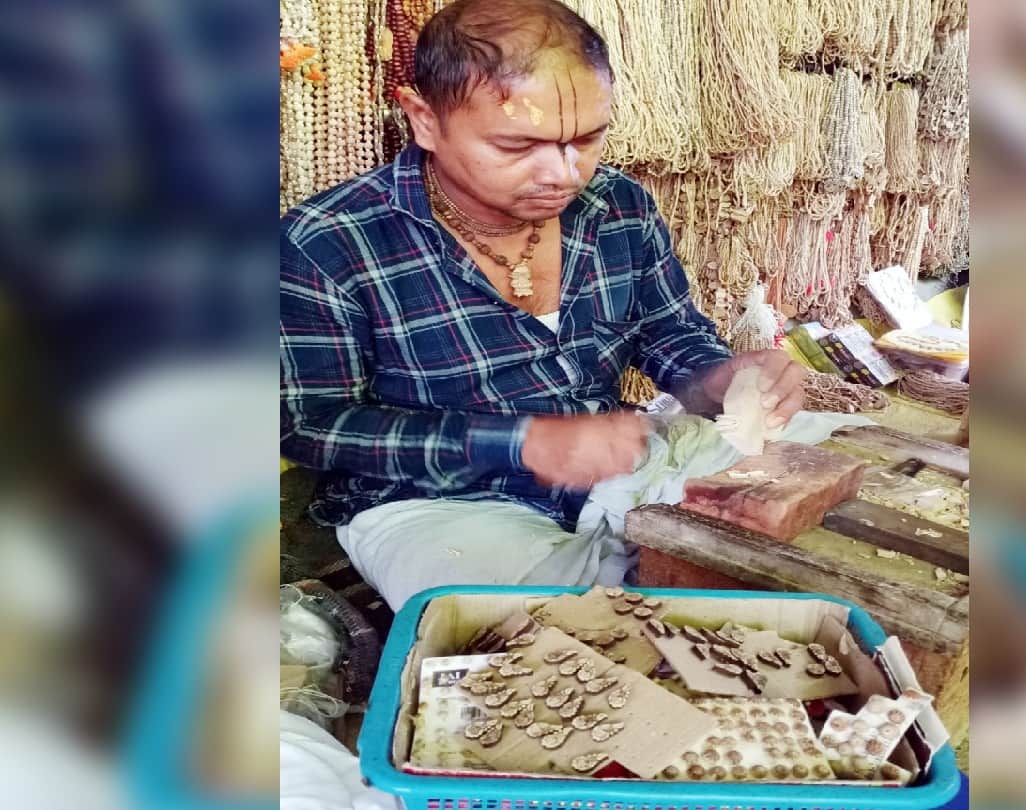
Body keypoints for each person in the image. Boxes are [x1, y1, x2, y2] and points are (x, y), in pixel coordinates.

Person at [279, 0, 814, 608]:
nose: (563, 173)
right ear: (423, 120)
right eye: (516, 145)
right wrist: (521, 442)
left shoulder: (620, 207)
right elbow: (309, 425)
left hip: (616, 457)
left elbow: (671, 335)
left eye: (586, 138)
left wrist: (720, 377)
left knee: (816, 476)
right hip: (439, 503)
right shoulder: (329, 241)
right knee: (536, 635)